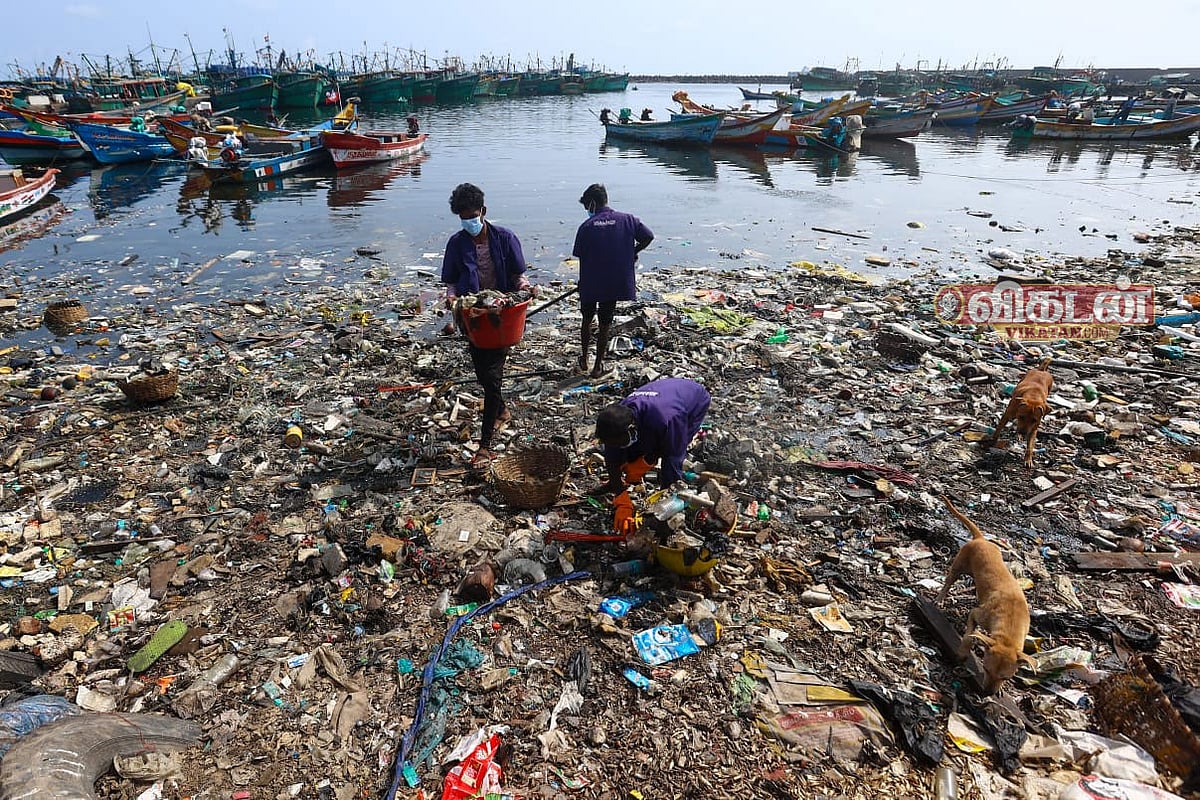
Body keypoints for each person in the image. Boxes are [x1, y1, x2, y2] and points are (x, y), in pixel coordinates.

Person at [441, 183, 535, 461]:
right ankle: (502, 409)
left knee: (492, 379)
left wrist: (525, 288)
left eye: (472, 216)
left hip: (501, 316)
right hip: (472, 317)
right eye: (463, 218)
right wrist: (451, 297)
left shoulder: (505, 238)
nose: (468, 222)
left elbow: (518, 276)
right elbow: (451, 281)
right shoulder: (456, 243)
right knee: (483, 373)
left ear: (483, 211)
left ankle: (485, 445)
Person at [571, 183, 654, 377]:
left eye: (587, 206)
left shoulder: (586, 227)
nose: (587, 210)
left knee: (587, 318)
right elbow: (648, 236)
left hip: (591, 281)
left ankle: (584, 360)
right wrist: (632, 252)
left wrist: (582, 282)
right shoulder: (628, 220)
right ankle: (597, 366)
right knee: (605, 323)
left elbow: (581, 255)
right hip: (613, 281)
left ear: (592, 203)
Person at [590, 378, 711, 494]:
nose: (616, 446)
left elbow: (673, 455)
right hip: (665, 395)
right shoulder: (615, 421)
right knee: (635, 447)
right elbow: (612, 455)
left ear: (631, 428)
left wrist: (667, 494)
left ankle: (669, 490)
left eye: (618, 442)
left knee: (672, 450)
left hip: (694, 400)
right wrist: (616, 485)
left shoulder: (666, 419)